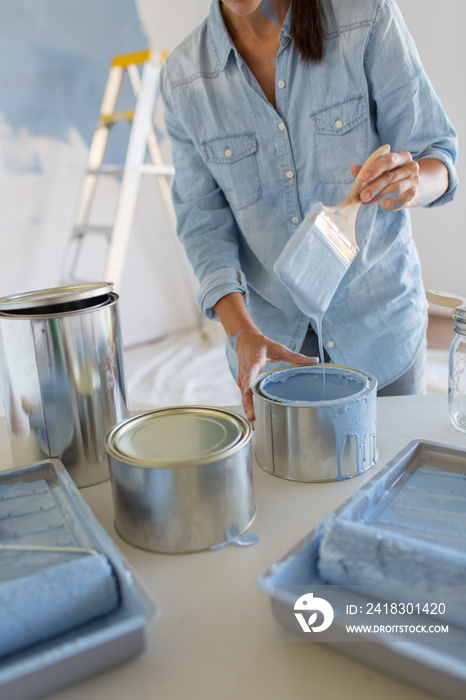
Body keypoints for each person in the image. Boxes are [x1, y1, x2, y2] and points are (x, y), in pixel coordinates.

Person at [159, 0, 458, 424]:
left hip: (381, 333)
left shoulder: (365, 16)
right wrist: (241, 330)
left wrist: (415, 182)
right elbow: (203, 224)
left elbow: (438, 155)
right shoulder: (182, 80)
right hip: (273, 355)